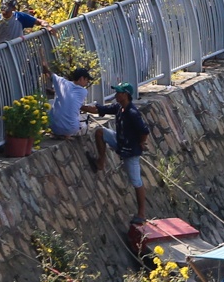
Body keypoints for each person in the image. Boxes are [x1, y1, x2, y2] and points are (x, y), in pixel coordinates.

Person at [86, 82, 149, 222]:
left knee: (136, 181)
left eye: (119, 92)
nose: (116, 95)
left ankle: (141, 214)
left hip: (131, 151)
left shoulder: (133, 113)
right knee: (100, 133)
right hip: (120, 143)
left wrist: (141, 143)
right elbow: (99, 109)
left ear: (125, 95)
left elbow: (144, 131)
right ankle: (100, 162)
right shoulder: (119, 108)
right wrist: (81, 107)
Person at [42, 61, 93, 139]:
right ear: (81, 78)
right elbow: (70, 99)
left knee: (51, 105)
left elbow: (49, 74)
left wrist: (44, 64)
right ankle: (66, 135)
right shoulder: (83, 91)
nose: (87, 82)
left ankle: (57, 133)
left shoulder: (62, 83)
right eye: (87, 80)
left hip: (53, 127)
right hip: (71, 129)